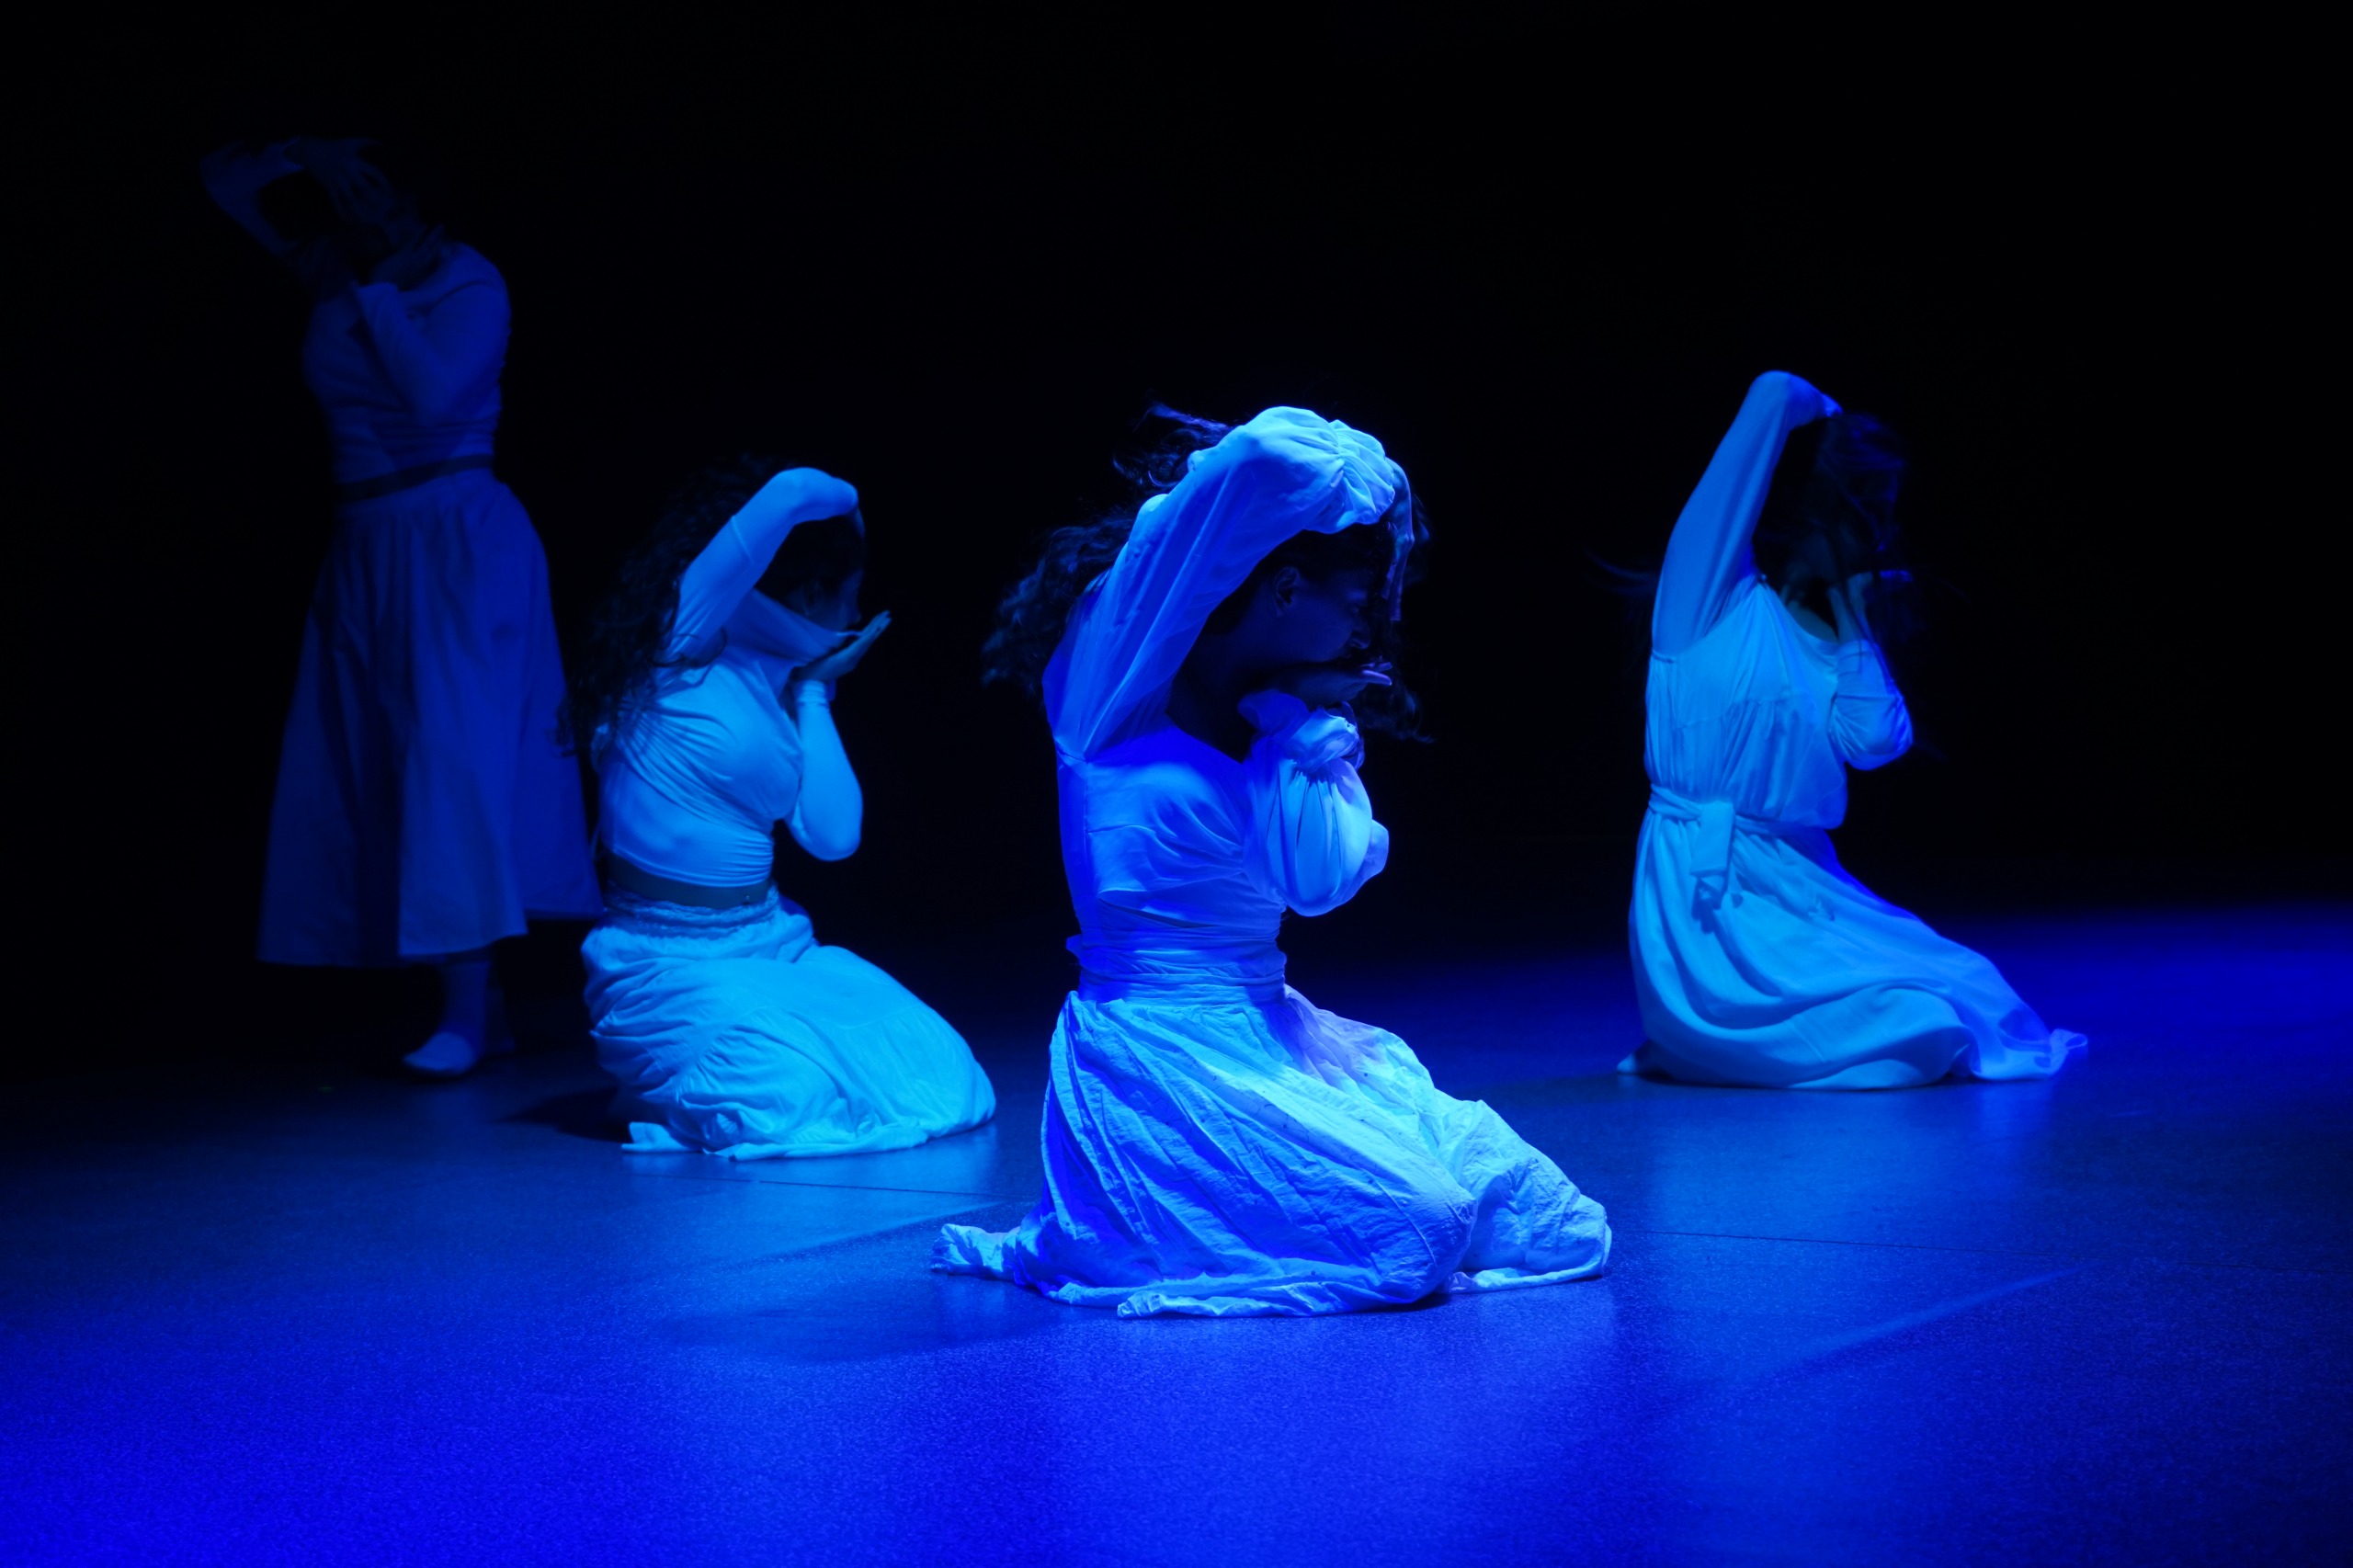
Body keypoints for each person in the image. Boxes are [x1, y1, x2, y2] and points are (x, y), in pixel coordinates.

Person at [934, 407, 1611, 1317]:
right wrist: (1373, 480)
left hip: (1269, 1028)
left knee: (1555, 1222)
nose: (1366, 633)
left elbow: (1318, 883)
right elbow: (1258, 459)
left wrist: (1299, 724)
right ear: (1286, 588)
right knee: (1423, 1227)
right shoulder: (1109, 689)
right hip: (1154, 1053)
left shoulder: (1294, 723)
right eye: (1356, 603)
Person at [200, 137, 600, 1077]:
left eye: (383, 191)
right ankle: (482, 1006)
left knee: (451, 765)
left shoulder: (470, 281)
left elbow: (431, 395)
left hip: (454, 537)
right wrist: (305, 153)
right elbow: (223, 179)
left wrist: (376, 289)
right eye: (357, 190)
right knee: (383, 767)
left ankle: (464, 1012)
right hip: (367, 541)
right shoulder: (333, 265)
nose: (366, 206)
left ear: (423, 204)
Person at [1626, 370, 2086, 1088]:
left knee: (1976, 992)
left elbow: (1876, 743)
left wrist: (1853, 616)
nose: (1879, 531)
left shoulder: (1832, 645)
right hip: (1702, 893)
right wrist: (1825, 417)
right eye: (1867, 506)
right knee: (1915, 1029)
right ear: (1813, 503)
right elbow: (1774, 391)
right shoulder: (1706, 597)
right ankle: (1713, 1036)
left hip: (1803, 880)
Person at [564, 460, 995, 1157]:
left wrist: (814, 693)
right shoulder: (681, 641)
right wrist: (853, 507)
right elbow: (794, 490)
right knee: (786, 1096)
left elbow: (834, 837)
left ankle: (686, 1075)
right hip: (665, 963)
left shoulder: (779, 678)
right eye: (849, 595)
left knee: (945, 1071)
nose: (854, 617)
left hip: (772, 943)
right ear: (810, 592)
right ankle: (658, 1082)